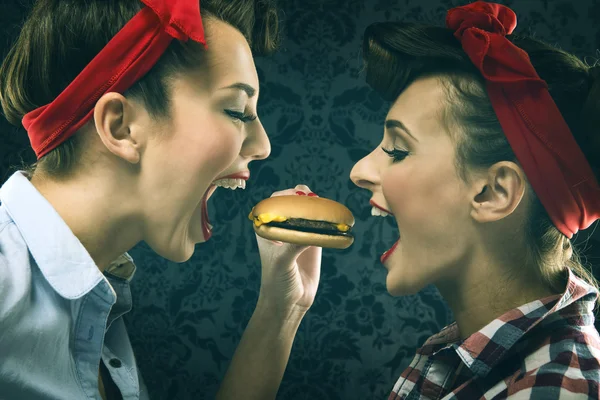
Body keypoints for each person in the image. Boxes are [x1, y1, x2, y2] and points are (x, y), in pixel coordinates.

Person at [0, 0, 322, 399]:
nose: (263, 146)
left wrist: (282, 305)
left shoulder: (97, 301)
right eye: (238, 111)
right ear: (121, 126)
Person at [348, 1, 600, 398]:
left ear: (493, 191)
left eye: (397, 150)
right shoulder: (453, 357)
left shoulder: (552, 389)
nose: (359, 170)